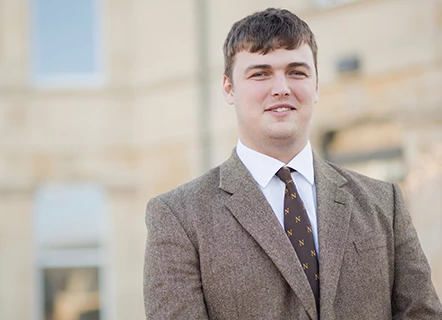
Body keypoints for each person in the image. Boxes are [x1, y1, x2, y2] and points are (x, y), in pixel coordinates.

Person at [143, 7, 442, 320]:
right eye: (260, 74)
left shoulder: (385, 203)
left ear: (316, 86)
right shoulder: (178, 215)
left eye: (297, 72)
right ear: (229, 89)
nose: (281, 88)